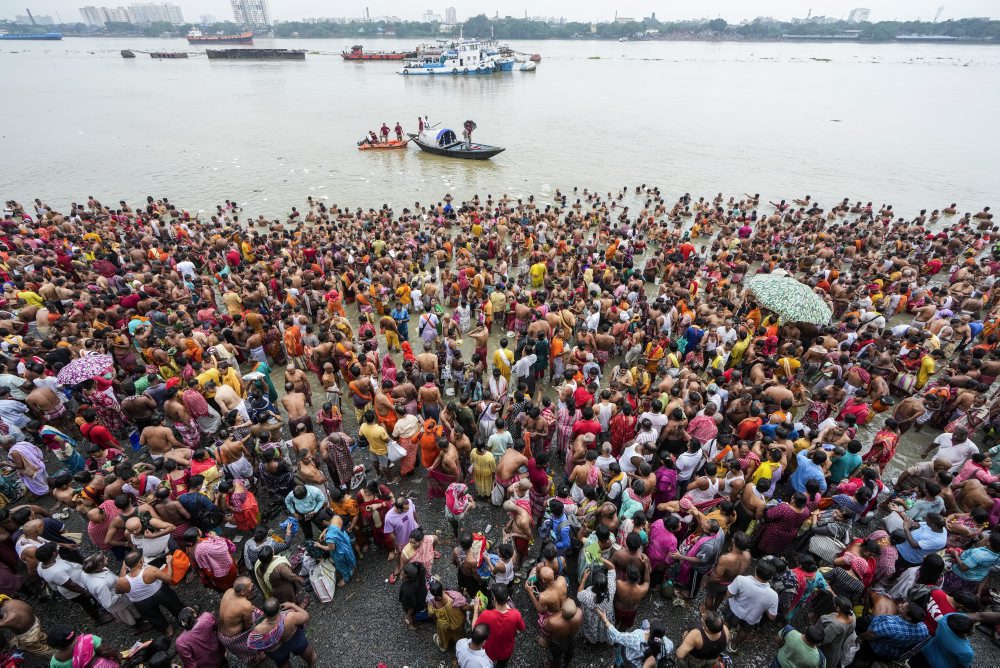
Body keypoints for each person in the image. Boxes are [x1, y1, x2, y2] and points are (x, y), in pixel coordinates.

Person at [720, 560, 779, 652]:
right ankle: (733, 646)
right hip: (752, 618)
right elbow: (772, 616)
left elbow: (728, 595)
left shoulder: (741, 580)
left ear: (755, 569)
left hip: (734, 610)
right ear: (770, 577)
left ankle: (720, 640)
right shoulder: (773, 595)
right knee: (744, 632)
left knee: (727, 624)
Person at [247, 597, 316, 668]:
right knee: (304, 649)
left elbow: (253, 644)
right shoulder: (290, 616)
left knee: (283, 663)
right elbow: (306, 616)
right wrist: (292, 605)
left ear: (264, 614)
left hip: (275, 650)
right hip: (295, 640)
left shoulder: (259, 629)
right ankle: (311, 665)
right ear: (280, 609)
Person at [595, 609, 673, 667]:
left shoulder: (637, 638)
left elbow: (617, 636)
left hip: (627, 660)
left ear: (649, 630)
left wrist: (605, 619)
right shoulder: (668, 644)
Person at [471, 584, 524, 668]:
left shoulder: (486, 615)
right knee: (501, 665)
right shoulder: (516, 614)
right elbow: (521, 628)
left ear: (494, 599)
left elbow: (474, 628)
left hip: (489, 651)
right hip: (506, 651)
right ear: (507, 598)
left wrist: (475, 609)